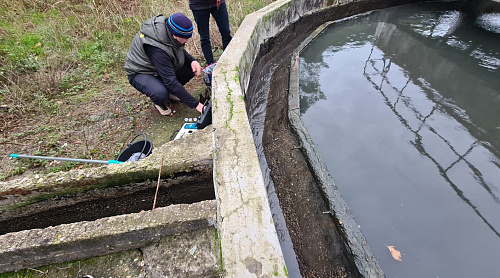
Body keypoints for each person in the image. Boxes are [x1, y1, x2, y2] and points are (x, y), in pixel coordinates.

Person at [124, 13, 204, 116]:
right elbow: (170, 81)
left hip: (157, 67)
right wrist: (198, 106)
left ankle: (170, 93)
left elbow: (177, 48)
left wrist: (193, 61)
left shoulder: (170, 30)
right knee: (160, 93)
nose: (187, 41)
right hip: (140, 72)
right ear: (174, 36)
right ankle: (160, 102)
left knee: (190, 67)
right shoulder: (157, 50)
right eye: (186, 38)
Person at [189, 0, 232, 65]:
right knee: (204, 38)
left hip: (218, 3)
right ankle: (211, 66)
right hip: (199, 6)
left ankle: (227, 62)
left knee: (226, 33)